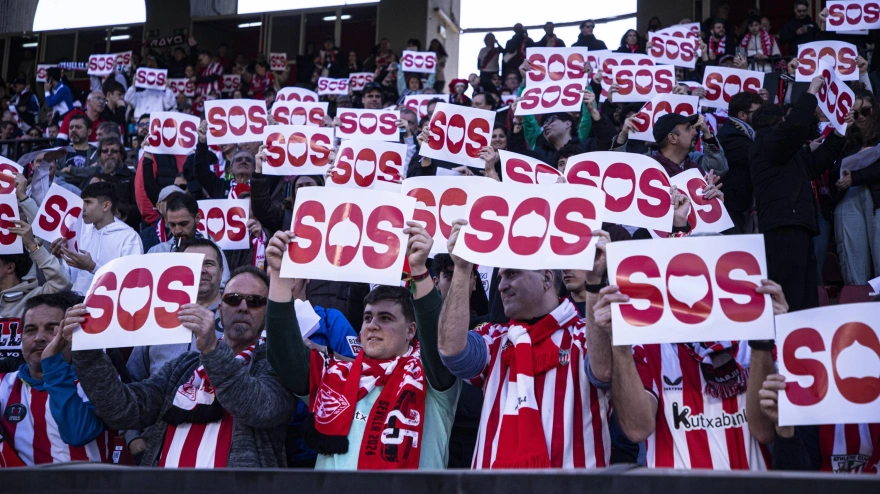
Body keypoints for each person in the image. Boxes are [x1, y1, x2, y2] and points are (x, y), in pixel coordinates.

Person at [265, 221, 460, 470]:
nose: (372, 325)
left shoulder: (432, 377)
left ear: (411, 330)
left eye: (386, 318)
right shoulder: (333, 374)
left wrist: (420, 272)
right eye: (368, 318)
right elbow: (284, 355)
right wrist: (280, 281)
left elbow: (437, 341)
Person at [65, 267, 295, 468]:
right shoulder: (184, 366)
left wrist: (213, 350)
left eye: (255, 301)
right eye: (234, 299)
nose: (243, 307)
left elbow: (258, 408)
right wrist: (87, 349)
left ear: (268, 313)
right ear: (221, 309)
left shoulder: (278, 363)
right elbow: (125, 410)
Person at [437, 217, 613, 468]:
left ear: (547, 278)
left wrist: (595, 284)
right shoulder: (496, 339)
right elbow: (451, 352)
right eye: (499, 278)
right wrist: (462, 269)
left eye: (512, 274)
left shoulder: (586, 335)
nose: (502, 286)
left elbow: (603, 372)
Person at [594, 250, 793, 470]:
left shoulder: (755, 345)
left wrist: (767, 336)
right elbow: (636, 429)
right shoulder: (651, 347)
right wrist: (619, 344)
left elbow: (764, 433)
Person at [751, 77, 846, 312]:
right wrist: (811, 91)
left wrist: (841, 131)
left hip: (797, 223)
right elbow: (794, 129)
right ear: (776, 123)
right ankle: (784, 344)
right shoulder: (767, 143)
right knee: (790, 293)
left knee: (805, 293)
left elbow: (817, 163)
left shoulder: (787, 152)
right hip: (783, 225)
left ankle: (803, 342)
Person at [0, 292, 114, 466]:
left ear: (71, 334)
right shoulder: (3, 385)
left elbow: (77, 433)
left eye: (53, 329)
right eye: (30, 330)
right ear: (21, 337)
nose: (39, 338)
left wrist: (52, 364)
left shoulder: (97, 381)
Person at [51, 182, 143, 295]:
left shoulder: (129, 237)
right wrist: (58, 258)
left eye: (88, 202)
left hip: (109, 306)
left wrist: (93, 268)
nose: (82, 208)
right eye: (81, 202)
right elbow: (67, 278)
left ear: (106, 206)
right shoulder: (78, 232)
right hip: (74, 303)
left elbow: (132, 281)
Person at [833, 93, 880, 285]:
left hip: (875, 197)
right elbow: (832, 166)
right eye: (854, 112)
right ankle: (858, 307)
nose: (860, 116)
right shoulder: (844, 136)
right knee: (852, 262)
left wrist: (857, 177)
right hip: (849, 198)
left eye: (865, 111)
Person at [147, 192, 231, 285]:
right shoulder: (156, 252)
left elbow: (223, 283)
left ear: (197, 218)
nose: (177, 230)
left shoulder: (212, 249)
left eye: (183, 224)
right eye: (172, 224)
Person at [614, 113, 729, 178]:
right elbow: (616, 171)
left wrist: (708, 133)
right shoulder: (645, 169)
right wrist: (622, 135)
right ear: (672, 138)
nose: (696, 132)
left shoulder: (698, 170)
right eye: (688, 129)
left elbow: (719, 169)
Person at [718, 92, 764, 233]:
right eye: (758, 113)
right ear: (742, 115)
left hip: (743, 206)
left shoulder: (746, 133)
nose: (761, 117)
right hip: (732, 206)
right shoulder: (730, 135)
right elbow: (758, 155)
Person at [194, 121, 253, 199]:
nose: (243, 161)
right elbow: (200, 171)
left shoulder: (262, 187)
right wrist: (202, 142)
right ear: (230, 169)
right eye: (238, 159)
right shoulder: (219, 186)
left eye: (248, 160)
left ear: (255, 168)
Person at [138, 185, 179, 253]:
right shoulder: (144, 236)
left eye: (179, 200)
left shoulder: (190, 232)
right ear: (159, 207)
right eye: (170, 201)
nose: (175, 204)